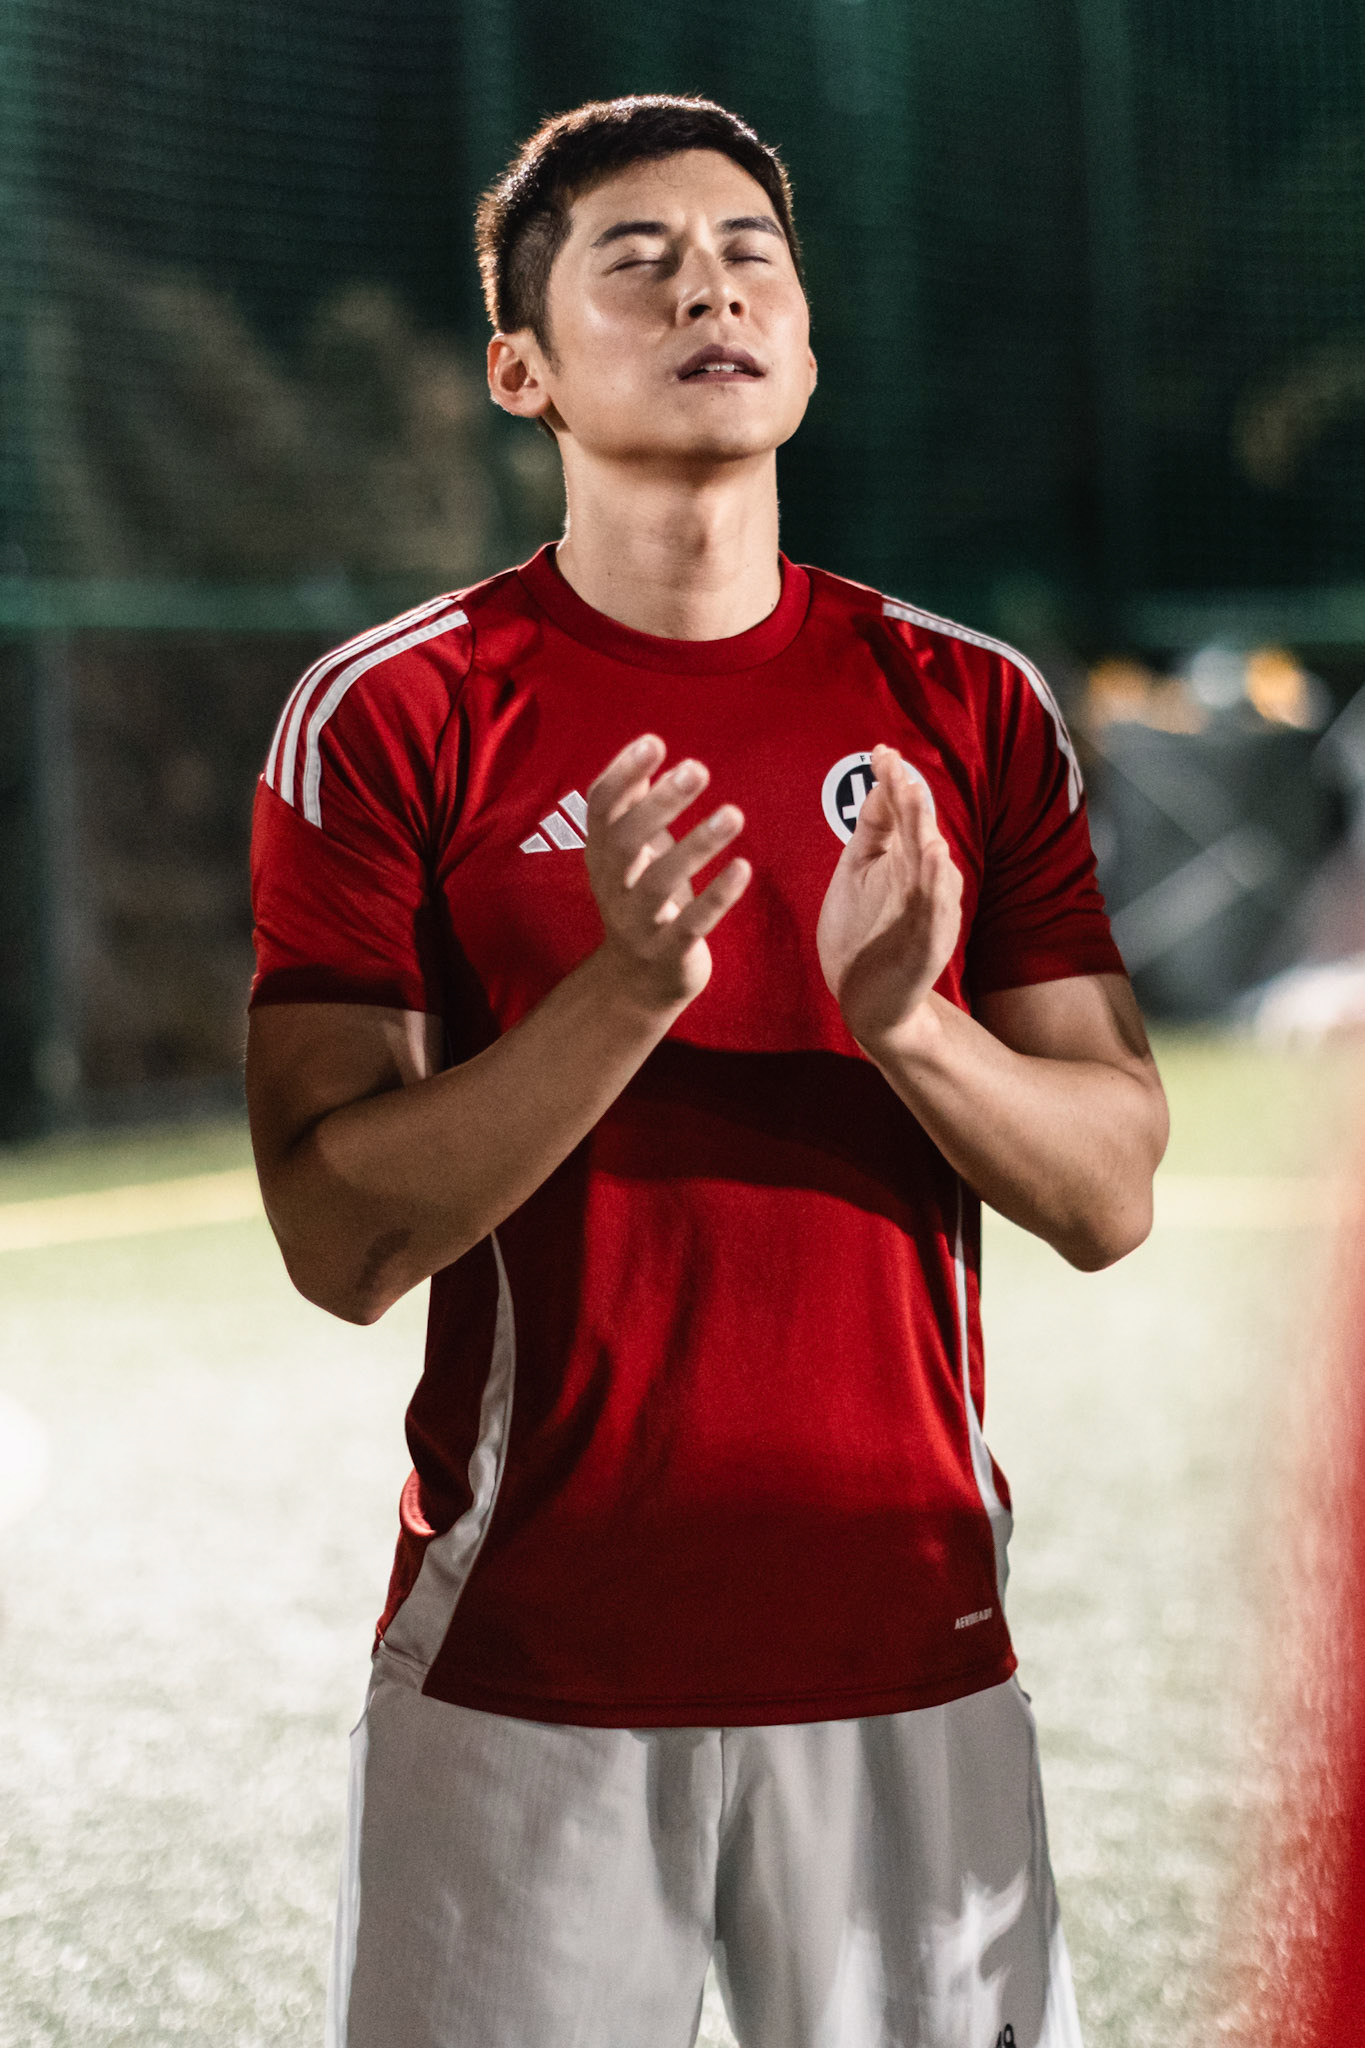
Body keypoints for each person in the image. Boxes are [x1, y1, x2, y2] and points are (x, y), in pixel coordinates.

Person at [247, 93, 1168, 2048]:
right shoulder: (395, 713)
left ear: (808, 350)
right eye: (638, 260)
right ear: (519, 369)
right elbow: (336, 1236)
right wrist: (622, 990)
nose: (710, 290)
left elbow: (1106, 1192)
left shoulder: (967, 706)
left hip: (911, 1649)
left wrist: (906, 1023)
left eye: (750, 254)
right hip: (525, 1674)